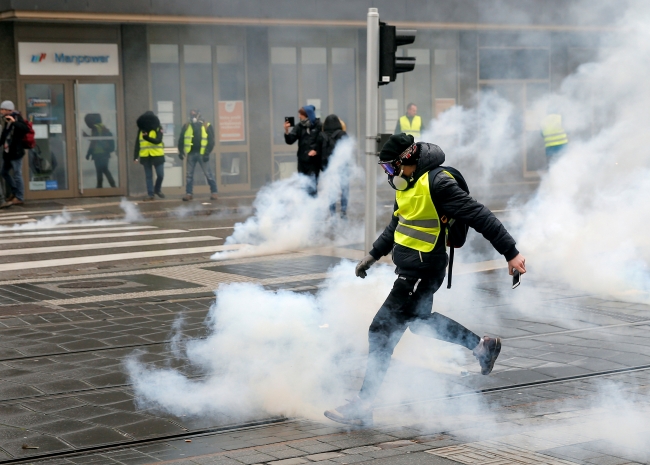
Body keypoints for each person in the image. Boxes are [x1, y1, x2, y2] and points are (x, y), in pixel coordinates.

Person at [324, 134, 527, 427]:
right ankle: (482, 346)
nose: (389, 175)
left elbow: (479, 215)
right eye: (385, 171)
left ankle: (364, 405)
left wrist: (511, 253)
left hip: (421, 272)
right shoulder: (407, 185)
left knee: (380, 331)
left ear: (407, 159)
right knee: (420, 323)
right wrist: (373, 255)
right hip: (413, 270)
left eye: (391, 169)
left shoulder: (438, 183)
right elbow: (398, 223)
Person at [177, 109, 218, 201]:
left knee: (208, 174)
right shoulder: (187, 125)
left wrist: (207, 152)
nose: (193, 117)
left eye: (194, 115)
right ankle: (188, 193)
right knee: (189, 175)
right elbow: (181, 139)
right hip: (191, 153)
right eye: (191, 115)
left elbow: (211, 141)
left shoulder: (206, 125)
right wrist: (180, 151)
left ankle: (214, 192)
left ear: (199, 115)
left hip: (202, 153)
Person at [284, 105, 321, 196]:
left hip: (314, 161)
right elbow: (290, 140)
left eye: (301, 114)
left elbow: (323, 141)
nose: (299, 116)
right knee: (303, 186)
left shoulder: (319, 125)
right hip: (302, 161)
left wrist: (316, 150)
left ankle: (314, 207)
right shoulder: (299, 126)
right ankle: (305, 208)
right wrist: (286, 130)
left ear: (307, 115)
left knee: (312, 186)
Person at [318, 114, 348, 218]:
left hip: (328, 168)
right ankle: (343, 212)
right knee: (344, 189)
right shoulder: (343, 134)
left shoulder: (321, 135)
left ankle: (333, 213)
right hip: (342, 168)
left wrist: (322, 167)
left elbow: (319, 152)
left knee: (331, 190)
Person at [0, 101, 29, 208]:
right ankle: (15, 191)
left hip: (16, 152)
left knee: (17, 174)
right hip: (8, 153)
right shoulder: (6, 119)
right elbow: (4, 135)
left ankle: (19, 197)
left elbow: (25, 129)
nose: (0, 111)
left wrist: (14, 122)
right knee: (4, 172)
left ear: (7, 110)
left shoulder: (16, 117)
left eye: (2, 109)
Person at [134, 111, 164, 201]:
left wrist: (147, 138)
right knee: (148, 176)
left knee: (160, 175)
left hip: (157, 155)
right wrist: (135, 157)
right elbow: (137, 144)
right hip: (145, 156)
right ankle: (150, 194)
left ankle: (157, 189)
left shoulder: (158, 128)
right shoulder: (141, 130)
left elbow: (158, 140)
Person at [84, 113, 116, 189]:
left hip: (98, 153)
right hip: (105, 153)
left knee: (100, 170)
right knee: (105, 169)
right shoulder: (102, 127)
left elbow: (94, 141)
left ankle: (100, 186)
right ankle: (112, 185)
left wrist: (88, 153)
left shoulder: (95, 128)